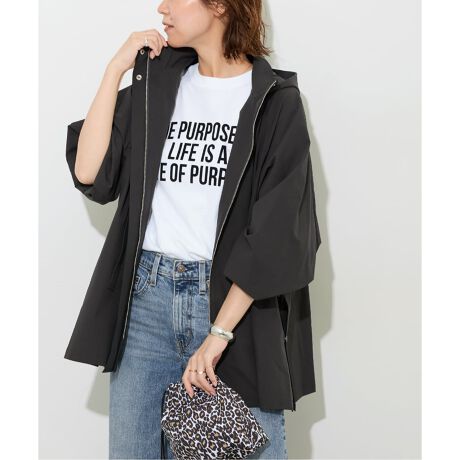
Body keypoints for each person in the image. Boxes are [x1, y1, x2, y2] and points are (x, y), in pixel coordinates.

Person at [66, 0, 321, 459]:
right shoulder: (159, 84)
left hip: (230, 308)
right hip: (146, 306)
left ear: (220, 5)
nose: (161, 7)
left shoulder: (275, 103)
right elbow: (89, 172)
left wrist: (219, 333)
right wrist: (115, 68)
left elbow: (278, 234)